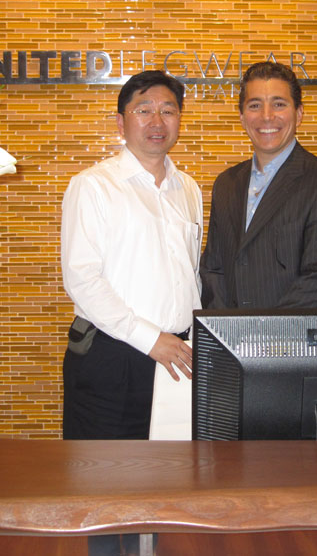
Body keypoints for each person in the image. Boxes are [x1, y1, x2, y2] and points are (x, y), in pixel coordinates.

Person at [61, 70, 201, 555]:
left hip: (176, 358)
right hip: (111, 357)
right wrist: (150, 338)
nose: (157, 121)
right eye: (144, 110)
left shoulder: (188, 188)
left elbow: (189, 274)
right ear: (121, 122)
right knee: (103, 491)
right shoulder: (94, 186)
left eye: (168, 110)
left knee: (162, 483)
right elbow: (83, 280)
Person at [200, 61, 317, 309]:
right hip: (231, 331)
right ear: (242, 117)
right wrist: (226, 327)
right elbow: (214, 269)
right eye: (255, 105)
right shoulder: (226, 184)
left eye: (279, 104)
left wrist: (266, 331)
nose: (266, 116)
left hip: (291, 332)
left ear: (299, 114)